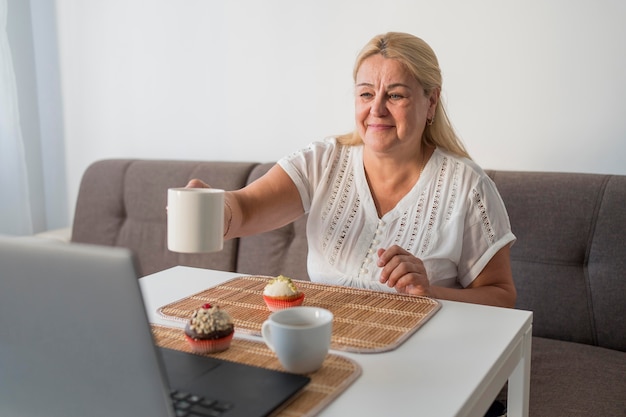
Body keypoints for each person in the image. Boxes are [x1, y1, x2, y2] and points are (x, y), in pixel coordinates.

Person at [187, 32, 517, 309]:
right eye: (366, 94)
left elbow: (502, 296)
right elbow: (244, 208)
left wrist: (431, 294)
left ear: (431, 102)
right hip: (325, 345)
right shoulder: (322, 161)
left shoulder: (468, 186)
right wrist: (214, 209)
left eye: (396, 95)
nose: (376, 109)